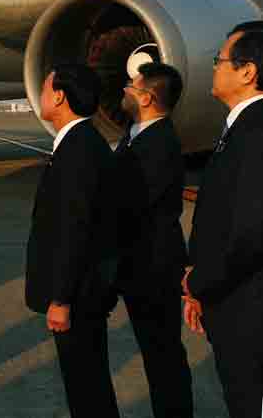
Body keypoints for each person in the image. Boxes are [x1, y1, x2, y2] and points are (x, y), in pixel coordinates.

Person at [26, 64, 120, 418]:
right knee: (86, 383)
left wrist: (61, 298)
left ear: (61, 96)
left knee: (87, 386)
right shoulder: (81, 143)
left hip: (77, 295)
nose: (43, 94)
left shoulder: (78, 150)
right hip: (84, 290)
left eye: (47, 87)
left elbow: (74, 231)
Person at [183, 22, 263, 418]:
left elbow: (250, 234)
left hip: (250, 314)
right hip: (230, 301)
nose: (214, 67)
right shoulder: (239, 129)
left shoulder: (257, 132)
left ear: (248, 72)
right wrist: (201, 286)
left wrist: (198, 280)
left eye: (220, 60)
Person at [113, 62, 193, 418]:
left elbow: (131, 202)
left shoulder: (161, 143)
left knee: (163, 355)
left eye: (132, 85)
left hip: (154, 267)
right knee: (153, 351)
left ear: (146, 97)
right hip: (136, 266)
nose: (125, 89)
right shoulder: (135, 133)